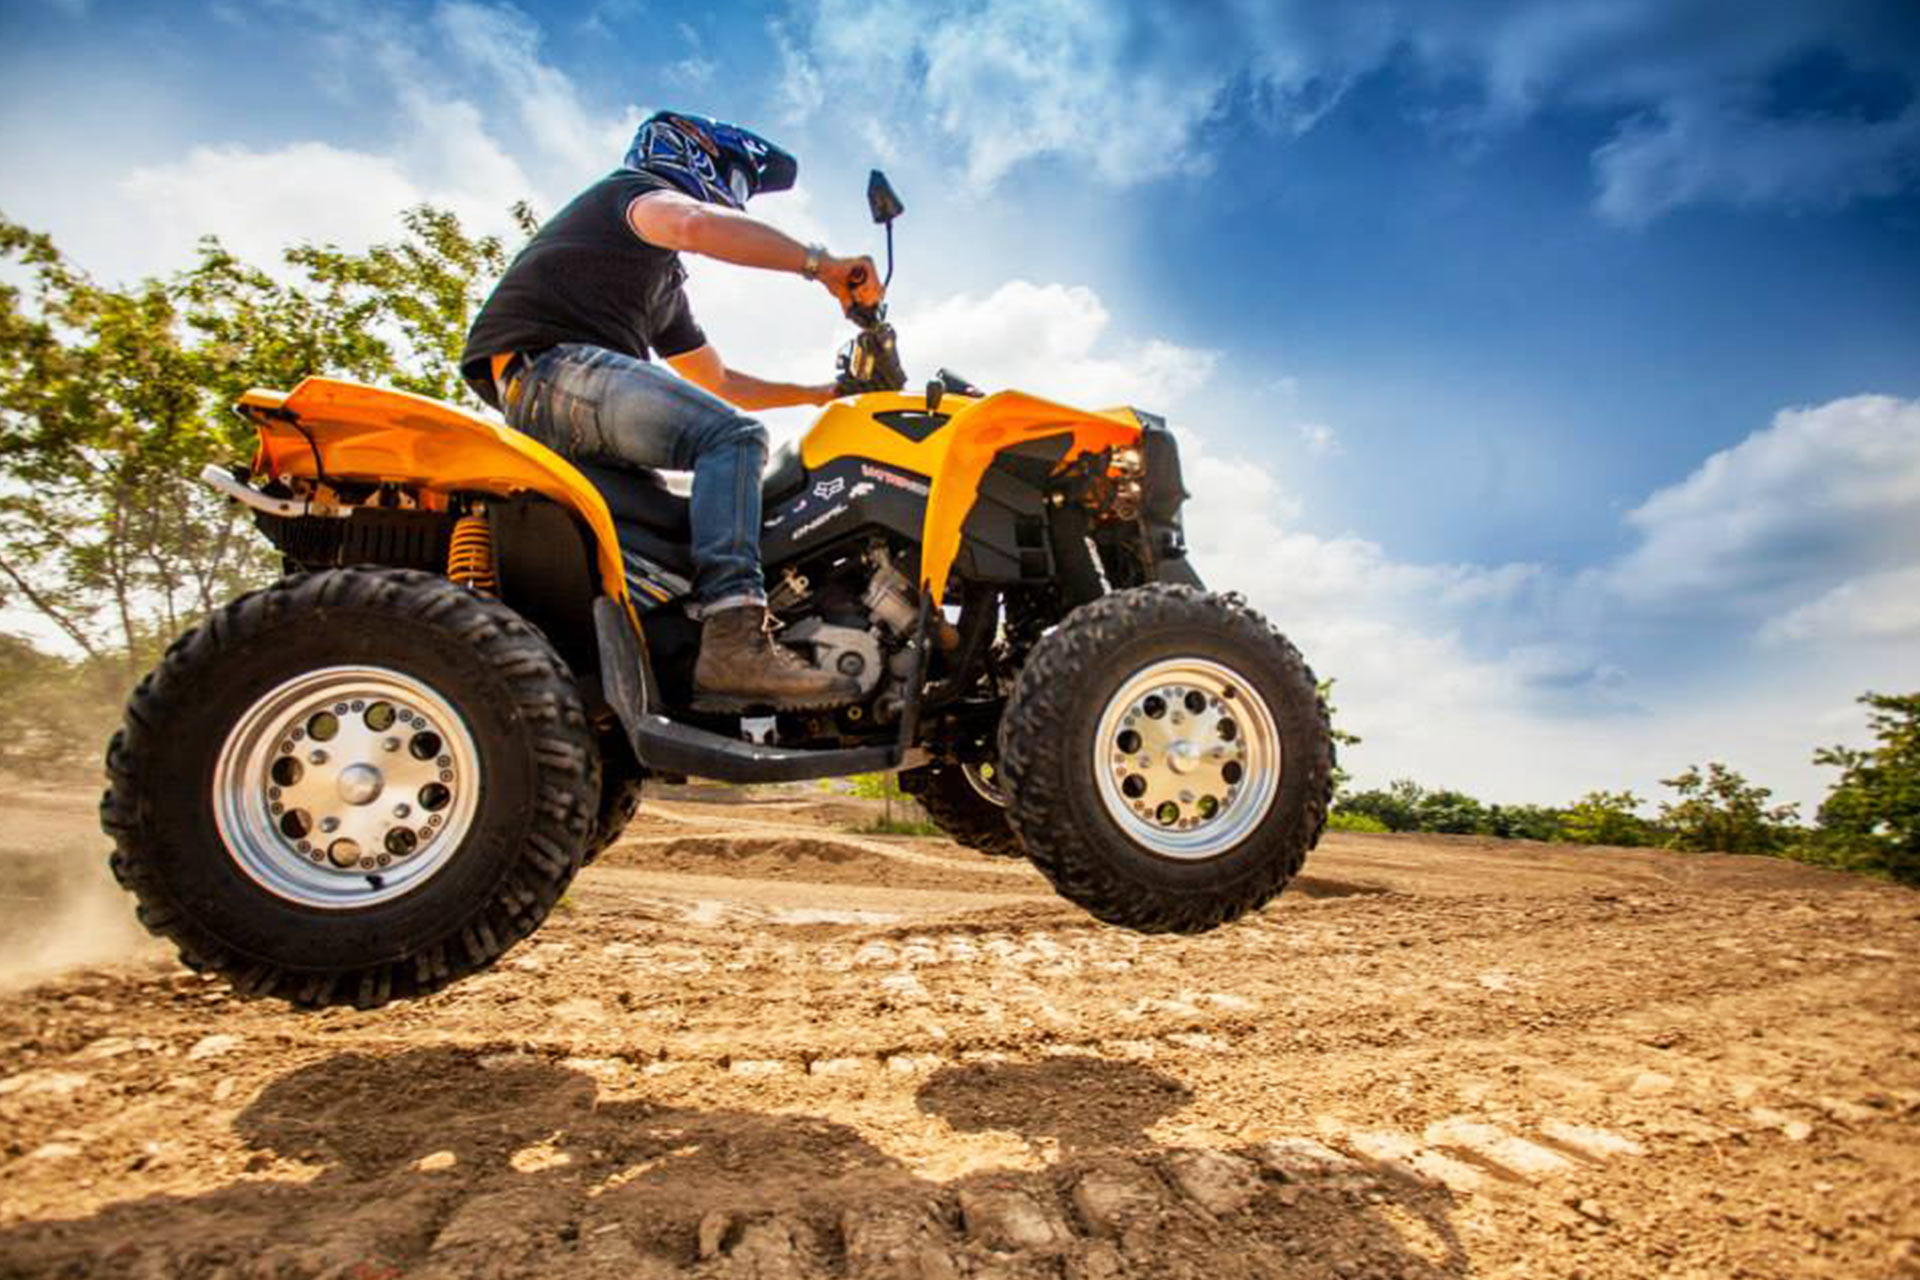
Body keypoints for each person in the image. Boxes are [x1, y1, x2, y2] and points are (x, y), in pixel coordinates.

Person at [460, 110, 880, 710]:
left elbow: (720, 380)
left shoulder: (660, 286)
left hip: (559, 396)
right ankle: (735, 636)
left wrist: (824, 394)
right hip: (548, 373)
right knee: (733, 440)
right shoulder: (631, 196)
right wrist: (824, 266)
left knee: (688, 507)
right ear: (695, 154)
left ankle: (671, 649)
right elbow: (692, 222)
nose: (734, 198)